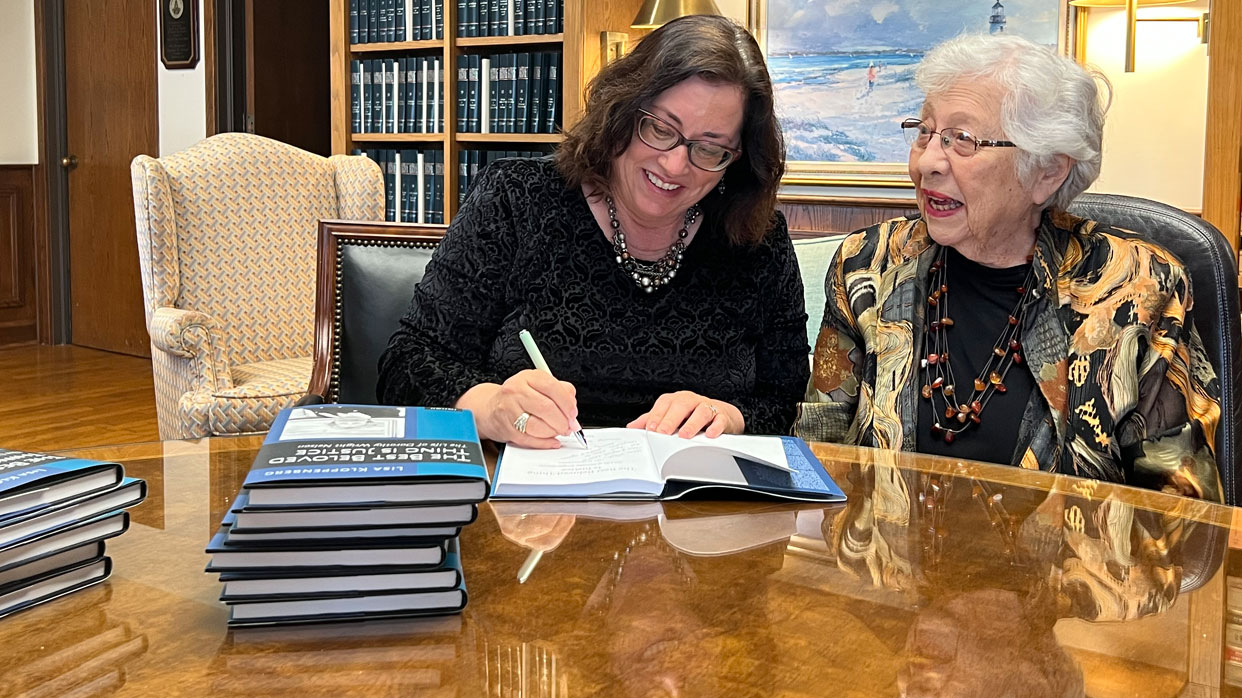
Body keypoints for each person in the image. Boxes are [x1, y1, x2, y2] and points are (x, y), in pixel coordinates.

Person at [795, 34, 1221, 500]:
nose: (927, 163)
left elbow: (1181, 514)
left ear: (1047, 172)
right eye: (925, 132)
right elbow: (818, 454)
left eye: (962, 140)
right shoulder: (868, 266)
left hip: (1075, 571)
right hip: (884, 568)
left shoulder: (1139, 285)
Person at [376, 15, 808, 448]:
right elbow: (407, 363)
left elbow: (783, 400)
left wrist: (727, 416)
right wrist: (489, 406)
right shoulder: (516, 201)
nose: (675, 165)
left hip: (694, 506)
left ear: (737, 157)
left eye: (710, 148)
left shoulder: (758, 242)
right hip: (527, 504)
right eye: (660, 128)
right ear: (621, 110)